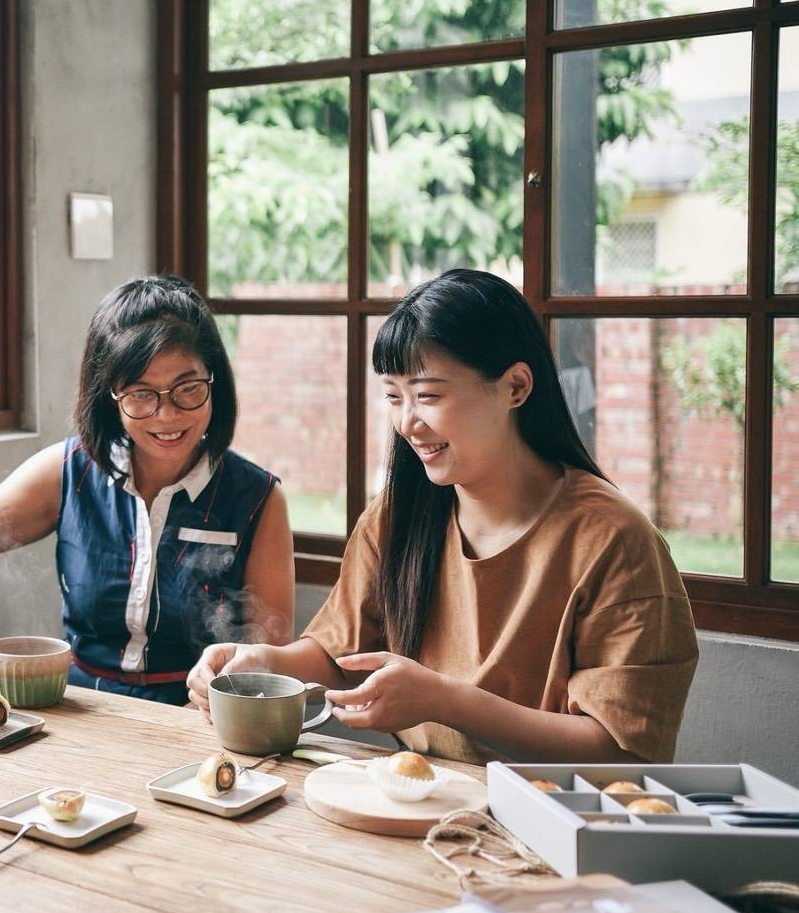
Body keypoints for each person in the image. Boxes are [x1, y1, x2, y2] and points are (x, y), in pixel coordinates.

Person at [189, 269, 698, 764]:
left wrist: (444, 701)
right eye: (394, 396)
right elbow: (341, 659)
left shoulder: (615, 542)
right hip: (419, 798)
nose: (408, 422)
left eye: (428, 395)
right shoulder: (396, 518)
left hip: (558, 821)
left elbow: (622, 754)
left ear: (516, 387)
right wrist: (261, 664)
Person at [0, 274, 294, 705]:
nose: (167, 416)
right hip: (79, 707)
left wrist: (226, 687)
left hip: (200, 716)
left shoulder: (257, 499)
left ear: (215, 383)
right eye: (141, 395)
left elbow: (273, 655)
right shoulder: (69, 472)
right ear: (110, 398)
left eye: (188, 390)